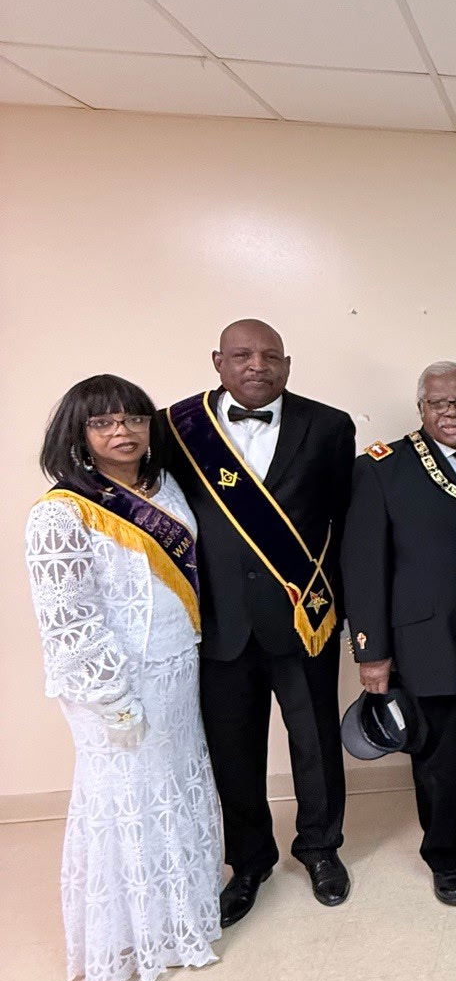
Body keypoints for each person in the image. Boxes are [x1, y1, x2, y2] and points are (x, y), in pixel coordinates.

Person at [26, 376, 221, 981]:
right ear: (78, 433)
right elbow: (69, 619)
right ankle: (133, 936)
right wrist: (113, 698)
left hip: (177, 667)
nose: (122, 432)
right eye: (104, 422)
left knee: (174, 786)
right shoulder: (62, 511)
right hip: (116, 683)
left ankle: (180, 921)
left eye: (134, 419)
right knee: (128, 800)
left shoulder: (165, 488)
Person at [163, 319, 355, 926]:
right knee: (233, 750)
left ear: (288, 365)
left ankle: (320, 848)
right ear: (217, 361)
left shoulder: (329, 426)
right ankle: (248, 862)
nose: (257, 365)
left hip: (301, 616)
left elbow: (345, 523)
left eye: (270, 356)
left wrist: (346, 610)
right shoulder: (178, 428)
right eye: (242, 355)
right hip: (218, 622)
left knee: (316, 743)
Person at [341, 362, 456, 905]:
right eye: (440, 403)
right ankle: (449, 858)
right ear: (421, 407)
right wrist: (372, 653)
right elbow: (364, 566)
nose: (453, 412)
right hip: (428, 642)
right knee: (442, 760)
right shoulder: (382, 469)